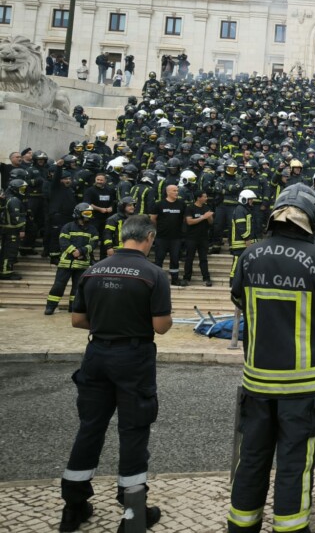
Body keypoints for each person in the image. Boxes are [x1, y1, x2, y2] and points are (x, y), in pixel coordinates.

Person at [228, 184, 315, 533]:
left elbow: (236, 296)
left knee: (251, 459)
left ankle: (241, 526)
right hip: (304, 384)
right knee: (294, 463)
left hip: (257, 379)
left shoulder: (249, 255)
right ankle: (291, 528)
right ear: (311, 219)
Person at [57, 215, 172, 532]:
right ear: (148, 237)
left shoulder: (93, 270)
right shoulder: (153, 274)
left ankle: (73, 508)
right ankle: (133, 514)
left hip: (96, 354)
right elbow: (161, 327)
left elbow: (78, 320)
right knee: (133, 431)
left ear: (123, 236)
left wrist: (109, 322)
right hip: (133, 358)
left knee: (89, 428)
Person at [45, 203, 99, 314]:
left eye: (90, 213)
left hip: (82, 264)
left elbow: (93, 244)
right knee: (58, 286)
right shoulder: (68, 227)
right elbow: (63, 242)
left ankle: (73, 308)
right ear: (79, 214)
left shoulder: (92, 229)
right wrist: (73, 251)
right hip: (66, 263)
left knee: (77, 289)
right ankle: (50, 306)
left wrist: (81, 251)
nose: (89, 216)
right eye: (87, 213)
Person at [183, 190, 214, 286]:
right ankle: (186, 278)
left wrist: (209, 217)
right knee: (189, 258)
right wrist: (203, 217)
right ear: (198, 198)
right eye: (204, 197)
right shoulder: (190, 208)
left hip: (203, 238)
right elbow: (189, 222)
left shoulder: (206, 207)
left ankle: (206, 278)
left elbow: (211, 223)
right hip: (191, 237)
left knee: (203, 259)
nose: (206, 198)